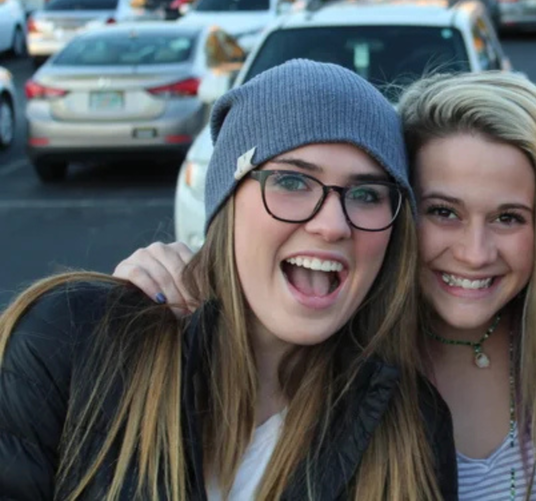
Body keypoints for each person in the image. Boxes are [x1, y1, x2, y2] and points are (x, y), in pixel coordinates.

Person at [109, 70, 536, 500]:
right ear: (393, 209)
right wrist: (163, 276)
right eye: (443, 211)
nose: (474, 253)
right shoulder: (339, 350)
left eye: (509, 217)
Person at [0, 60, 457, 500]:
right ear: (227, 201)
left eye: (366, 194)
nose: (333, 225)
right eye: (293, 182)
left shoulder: (411, 426)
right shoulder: (69, 341)